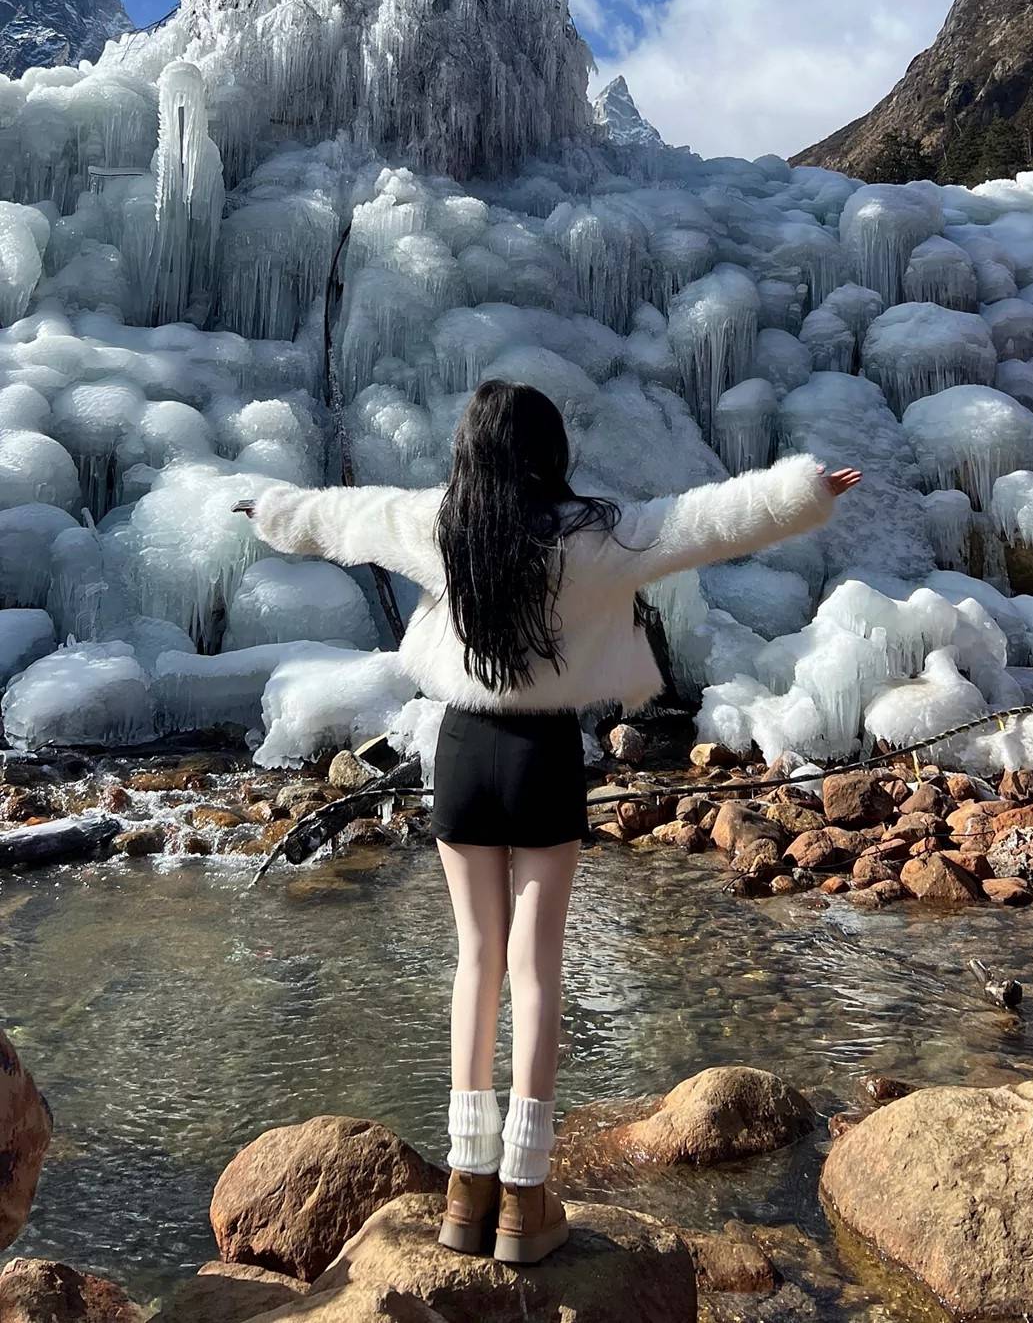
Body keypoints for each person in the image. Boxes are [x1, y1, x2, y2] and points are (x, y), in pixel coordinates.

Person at [237, 380, 860, 1266]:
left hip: (461, 755)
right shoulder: (597, 536)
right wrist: (809, 493)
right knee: (534, 972)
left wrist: (269, 508)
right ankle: (525, 1200)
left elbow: (343, 520)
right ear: (551, 453)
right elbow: (708, 520)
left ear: (470, 453)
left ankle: (464, 1187)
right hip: (542, 759)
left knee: (475, 964)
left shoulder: (441, 525)